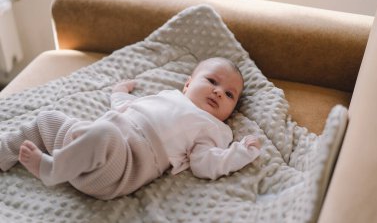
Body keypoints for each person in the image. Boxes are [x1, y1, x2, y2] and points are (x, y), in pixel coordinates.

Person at [1, 57, 261, 200]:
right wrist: (118, 92)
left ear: (231, 110)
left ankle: (52, 169)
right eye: (212, 81)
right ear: (187, 84)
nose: (218, 91)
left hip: (119, 170)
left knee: (105, 133)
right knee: (49, 119)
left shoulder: (212, 128)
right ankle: (5, 150)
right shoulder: (167, 96)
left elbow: (206, 163)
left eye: (229, 94)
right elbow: (129, 108)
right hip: (89, 142)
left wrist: (240, 153)